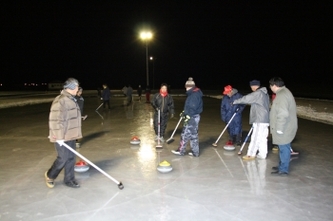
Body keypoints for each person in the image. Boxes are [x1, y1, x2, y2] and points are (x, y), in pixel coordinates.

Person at [45, 78, 82, 188]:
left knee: (71, 158)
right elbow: (56, 120)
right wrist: (59, 137)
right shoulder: (61, 100)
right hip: (61, 135)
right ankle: (50, 175)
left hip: (70, 134)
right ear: (71, 87)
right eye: (77, 87)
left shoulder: (71, 99)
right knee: (63, 158)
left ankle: (69, 179)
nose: (78, 89)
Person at [233, 80, 270, 160]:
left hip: (259, 119)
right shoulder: (265, 93)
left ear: (254, 86)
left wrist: (235, 101)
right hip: (265, 119)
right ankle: (262, 154)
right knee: (263, 138)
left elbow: (247, 98)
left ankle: (251, 154)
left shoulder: (258, 93)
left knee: (255, 137)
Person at [269, 77, 298, 175]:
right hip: (286, 126)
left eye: (270, 85)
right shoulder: (284, 92)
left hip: (284, 127)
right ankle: (282, 166)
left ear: (274, 85)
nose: (270, 88)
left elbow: (283, 113)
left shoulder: (282, 95)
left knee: (284, 148)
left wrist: (280, 128)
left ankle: (283, 170)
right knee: (283, 148)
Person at [172, 77, 203, 157]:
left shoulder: (194, 95)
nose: (185, 88)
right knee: (193, 135)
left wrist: (188, 115)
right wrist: (184, 112)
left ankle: (181, 150)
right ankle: (195, 152)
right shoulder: (194, 93)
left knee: (185, 134)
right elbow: (189, 106)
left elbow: (193, 107)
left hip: (192, 117)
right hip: (194, 117)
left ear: (190, 87)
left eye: (186, 87)